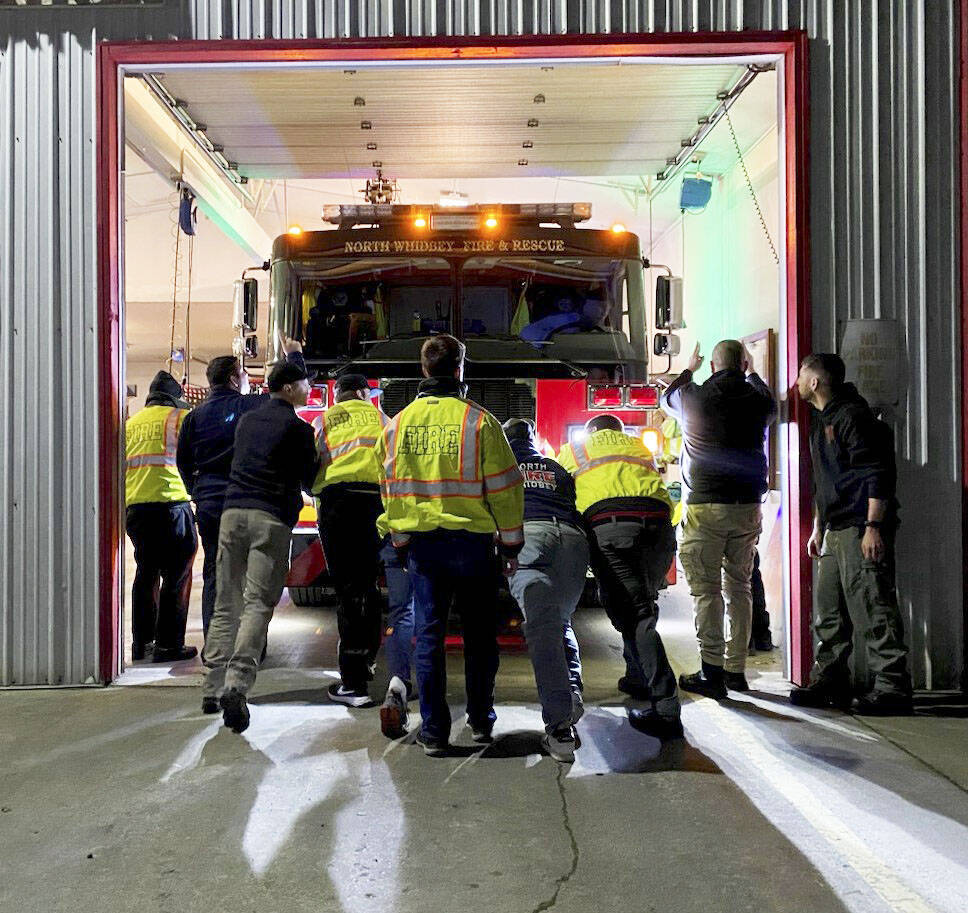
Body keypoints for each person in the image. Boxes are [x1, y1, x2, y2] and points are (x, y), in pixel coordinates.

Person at [375, 334, 524, 756]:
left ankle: (435, 731)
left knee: (429, 635)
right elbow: (506, 490)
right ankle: (480, 722)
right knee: (480, 639)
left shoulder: (397, 424)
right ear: (461, 368)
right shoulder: (480, 422)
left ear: (423, 369)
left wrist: (401, 541)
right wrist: (511, 546)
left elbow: (389, 490)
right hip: (474, 547)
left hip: (423, 549)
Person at [791, 353, 913, 715]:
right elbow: (824, 481)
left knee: (874, 606)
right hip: (834, 529)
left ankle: (892, 688)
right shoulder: (821, 420)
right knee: (828, 612)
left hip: (861, 527)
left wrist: (873, 527)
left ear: (815, 382)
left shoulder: (851, 416)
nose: (796, 381)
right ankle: (830, 681)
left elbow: (878, 473)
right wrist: (818, 527)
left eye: (801, 374)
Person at [202, 359, 319, 733]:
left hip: (232, 513)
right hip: (269, 519)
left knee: (226, 600)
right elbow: (309, 479)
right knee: (256, 605)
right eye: (304, 384)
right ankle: (237, 685)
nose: (308, 389)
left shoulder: (247, 420)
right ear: (287, 388)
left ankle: (212, 687)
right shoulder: (297, 428)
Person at [661, 340, 777, 698]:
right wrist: (754, 370)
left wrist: (688, 368)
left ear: (712, 365)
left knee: (707, 591)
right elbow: (771, 403)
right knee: (739, 588)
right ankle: (736, 670)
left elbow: (666, 399)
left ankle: (711, 673)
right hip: (747, 508)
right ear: (743, 363)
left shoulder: (693, 397)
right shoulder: (758, 401)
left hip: (705, 508)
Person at [558, 414, 683, 740]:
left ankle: (667, 707)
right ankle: (638, 676)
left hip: (611, 527)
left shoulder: (574, 450)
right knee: (641, 602)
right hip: (658, 527)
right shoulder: (638, 446)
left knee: (635, 614)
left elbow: (557, 492)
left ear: (589, 433)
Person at [176, 337, 307, 637]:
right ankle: (250, 647)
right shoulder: (251, 406)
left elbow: (183, 462)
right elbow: (290, 390)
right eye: (245, 374)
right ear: (235, 379)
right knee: (250, 575)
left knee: (215, 571)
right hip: (246, 502)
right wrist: (295, 357)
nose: (248, 379)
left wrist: (196, 491)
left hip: (209, 505)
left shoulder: (194, 418)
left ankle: (215, 642)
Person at [503, 418, 589, 763]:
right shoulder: (555, 467)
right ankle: (573, 694)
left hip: (530, 539)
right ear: (535, 439)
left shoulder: (503, 466)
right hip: (571, 541)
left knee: (541, 631)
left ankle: (560, 729)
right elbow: (570, 500)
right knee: (561, 621)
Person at [310, 373, 390, 709]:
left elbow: (312, 466)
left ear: (339, 394)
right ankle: (367, 661)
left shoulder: (322, 420)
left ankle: (353, 683)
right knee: (369, 586)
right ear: (362, 393)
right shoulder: (382, 418)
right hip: (376, 502)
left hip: (338, 504)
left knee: (347, 590)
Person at [125, 371, 199, 663]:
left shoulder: (130, 424)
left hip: (137, 509)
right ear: (173, 398)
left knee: (145, 574)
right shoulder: (179, 418)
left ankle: (141, 644)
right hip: (172, 506)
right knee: (177, 576)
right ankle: (168, 645)